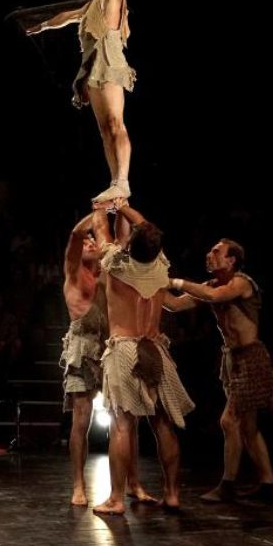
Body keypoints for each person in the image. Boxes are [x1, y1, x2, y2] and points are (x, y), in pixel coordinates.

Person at [90, 200, 194, 515]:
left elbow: (99, 226)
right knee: (163, 424)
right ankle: (172, 493)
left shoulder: (115, 264)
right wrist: (125, 205)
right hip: (154, 347)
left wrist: (105, 202)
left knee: (122, 425)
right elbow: (146, 228)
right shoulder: (161, 265)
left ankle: (117, 498)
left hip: (124, 347)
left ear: (131, 243)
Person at [166, 239, 273, 502]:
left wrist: (177, 282)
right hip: (232, 358)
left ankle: (227, 485)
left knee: (229, 421)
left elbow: (215, 297)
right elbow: (173, 305)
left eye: (216, 251)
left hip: (251, 357)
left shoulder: (241, 282)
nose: (209, 254)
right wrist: (148, 281)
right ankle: (269, 483)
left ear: (231, 260)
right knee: (248, 428)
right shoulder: (211, 286)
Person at [26, 0, 136, 203]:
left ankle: (123, 181)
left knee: (115, 123)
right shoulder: (90, 5)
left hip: (109, 57)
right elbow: (68, 16)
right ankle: (114, 182)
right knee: (104, 129)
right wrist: (42, 26)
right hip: (92, 65)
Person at [60, 214, 154, 506]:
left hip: (110, 344)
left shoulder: (107, 270)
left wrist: (119, 207)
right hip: (82, 344)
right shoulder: (74, 270)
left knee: (126, 419)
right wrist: (98, 212)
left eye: (94, 238)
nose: (90, 241)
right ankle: (78, 484)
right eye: (89, 240)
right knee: (81, 417)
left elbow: (125, 240)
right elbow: (76, 235)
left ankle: (133, 482)